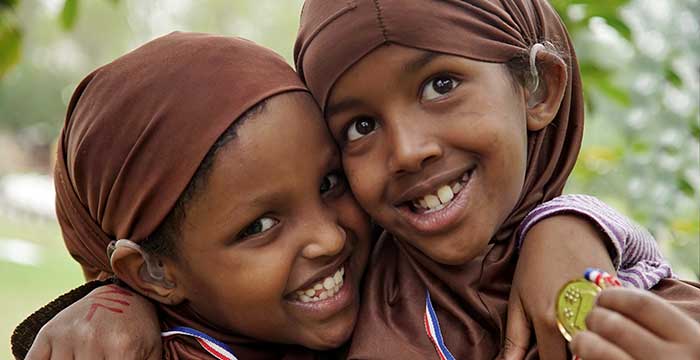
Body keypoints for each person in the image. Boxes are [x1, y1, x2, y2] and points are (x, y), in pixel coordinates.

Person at [292, 0, 700, 359]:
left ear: (538, 87)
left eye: (441, 86)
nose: (407, 152)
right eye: (361, 126)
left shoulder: (652, 317)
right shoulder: (332, 314)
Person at [12, 31, 373, 359]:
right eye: (260, 225)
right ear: (154, 273)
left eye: (328, 184)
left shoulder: (400, 275)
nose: (330, 238)